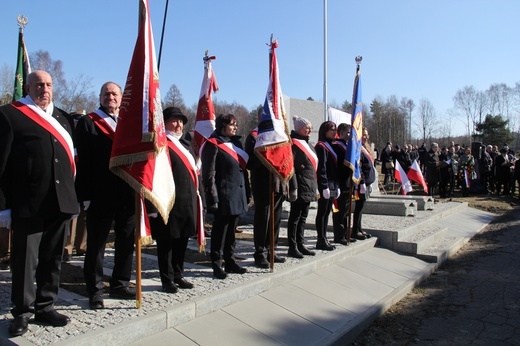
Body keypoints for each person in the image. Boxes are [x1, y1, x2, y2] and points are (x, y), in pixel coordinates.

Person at [0, 70, 79, 336]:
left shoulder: (64, 119)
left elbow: (71, 162)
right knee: (25, 261)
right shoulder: (10, 115)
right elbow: (1, 166)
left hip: (60, 201)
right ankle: (22, 312)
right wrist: (4, 207)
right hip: (27, 203)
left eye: (48, 84)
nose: (44, 89)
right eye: (38, 84)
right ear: (28, 87)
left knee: (52, 258)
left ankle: (46, 306)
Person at [75, 82, 136, 310]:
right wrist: (85, 195)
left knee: (125, 241)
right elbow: (84, 162)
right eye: (106, 93)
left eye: (114, 94)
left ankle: (120, 284)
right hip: (100, 193)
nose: (110, 97)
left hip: (127, 192)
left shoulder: (130, 124)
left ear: (121, 98)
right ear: (100, 97)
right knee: (97, 244)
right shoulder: (88, 122)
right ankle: (95, 290)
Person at [148, 107, 200, 293]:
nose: (178, 125)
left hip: (187, 202)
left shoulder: (185, 145)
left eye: (181, 122)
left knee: (182, 241)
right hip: (168, 202)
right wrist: (152, 206)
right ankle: (167, 279)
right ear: (165, 122)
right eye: (174, 121)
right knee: (166, 243)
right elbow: (152, 176)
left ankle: (178, 274)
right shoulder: (161, 144)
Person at [201, 114, 251, 279]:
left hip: (237, 194)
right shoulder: (213, 144)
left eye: (236, 124)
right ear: (222, 126)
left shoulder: (235, 143)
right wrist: (213, 197)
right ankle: (217, 264)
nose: (235, 127)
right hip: (224, 195)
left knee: (231, 232)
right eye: (232, 125)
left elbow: (242, 172)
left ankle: (230, 261)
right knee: (219, 233)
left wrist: (247, 192)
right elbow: (209, 175)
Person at [245, 109, 294, 268]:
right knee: (263, 220)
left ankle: (272, 250)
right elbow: (249, 163)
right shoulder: (253, 137)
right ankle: (260, 254)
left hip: (279, 184)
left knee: (276, 220)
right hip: (263, 185)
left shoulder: (279, 135)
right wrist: (265, 154)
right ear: (262, 117)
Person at [286, 116, 317, 258]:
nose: (310, 129)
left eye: (310, 127)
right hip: (299, 185)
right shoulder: (293, 144)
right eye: (307, 127)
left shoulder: (309, 145)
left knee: (303, 217)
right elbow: (291, 167)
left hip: (309, 185)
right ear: (299, 129)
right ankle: (292, 246)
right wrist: (293, 187)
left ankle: (300, 243)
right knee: (295, 218)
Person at [314, 121, 340, 251]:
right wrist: (324, 186)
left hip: (333, 184)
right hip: (326, 185)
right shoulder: (321, 147)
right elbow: (322, 168)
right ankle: (320, 239)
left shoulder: (331, 146)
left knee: (327, 212)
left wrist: (337, 185)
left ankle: (324, 238)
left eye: (335, 129)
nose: (334, 132)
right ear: (324, 131)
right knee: (322, 213)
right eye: (331, 130)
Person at [332, 123, 355, 245]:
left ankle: (346, 234)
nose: (349, 135)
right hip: (340, 183)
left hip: (347, 183)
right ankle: (339, 235)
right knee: (339, 212)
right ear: (340, 133)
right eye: (347, 132)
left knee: (346, 211)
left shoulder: (347, 146)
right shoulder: (336, 146)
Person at [351, 128, 376, 239]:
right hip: (362, 183)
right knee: (358, 207)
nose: (365, 136)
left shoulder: (366, 147)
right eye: (363, 135)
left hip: (367, 182)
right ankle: (355, 230)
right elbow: (359, 167)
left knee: (361, 207)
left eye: (366, 134)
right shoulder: (358, 148)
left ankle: (359, 228)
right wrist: (363, 183)